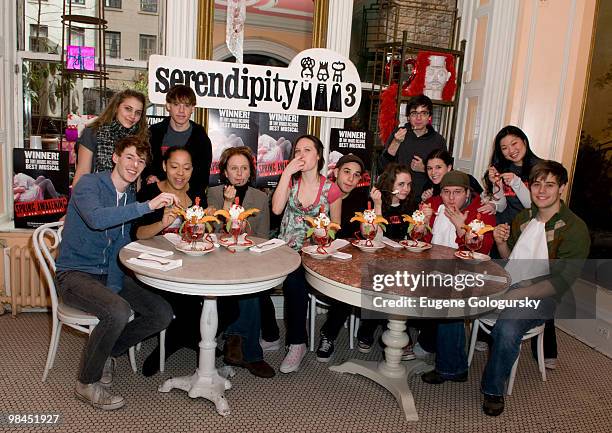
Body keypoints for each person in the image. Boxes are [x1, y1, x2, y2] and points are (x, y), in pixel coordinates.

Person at [422, 161, 590, 417]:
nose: (542, 190)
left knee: (508, 326)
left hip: (541, 295)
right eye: (537, 184)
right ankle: (451, 367)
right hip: (506, 281)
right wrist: (501, 244)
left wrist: (515, 294)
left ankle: (493, 389)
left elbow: (560, 282)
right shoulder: (523, 218)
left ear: (562, 188)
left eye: (550, 185)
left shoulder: (574, 229)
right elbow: (509, 258)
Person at [55, 136, 175, 410]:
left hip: (105, 272)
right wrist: (148, 207)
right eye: (130, 157)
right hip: (74, 274)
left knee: (161, 313)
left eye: (141, 161)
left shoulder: (129, 197)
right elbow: (97, 219)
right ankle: (86, 382)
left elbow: (120, 245)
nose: (135, 165)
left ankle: (107, 351)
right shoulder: (89, 184)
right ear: (116, 157)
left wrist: (114, 285)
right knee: (118, 311)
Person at [480, 126, 557, 367]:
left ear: (524, 141)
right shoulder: (503, 170)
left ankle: (547, 349)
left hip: (532, 231)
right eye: (504, 147)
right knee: (497, 280)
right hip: (506, 229)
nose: (511, 150)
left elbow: (533, 204)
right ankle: (489, 333)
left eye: (514, 143)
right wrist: (496, 189)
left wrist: (517, 184)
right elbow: (501, 206)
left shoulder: (541, 168)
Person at [271, 134, 342, 373]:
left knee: (299, 279)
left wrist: (320, 239)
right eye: (297, 150)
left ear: (318, 155)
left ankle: (300, 341)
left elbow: (336, 229)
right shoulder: (290, 183)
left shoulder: (331, 189)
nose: (301, 154)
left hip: (317, 253)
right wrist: (285, 174)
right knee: (293, 281)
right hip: (287, 251)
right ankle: (297, 343)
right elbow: (277, 208)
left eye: (307, 150)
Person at [133, 147, 202, 377]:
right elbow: (138, 233)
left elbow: (205, 233)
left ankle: (180, 337)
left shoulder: (198, 193)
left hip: (192, 265)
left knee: (228, 304)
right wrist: (162, 223)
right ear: (164, 166)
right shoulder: (150, 193)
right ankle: (175, 341)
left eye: (186, 167)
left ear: (192, 169)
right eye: (174, 166)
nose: (180, 173)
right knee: (184, 299)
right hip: (156, 268)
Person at [207, 146, 275, 378]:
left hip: (247, 257)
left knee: (251, 288)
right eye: (233, 168)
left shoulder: (260, 197)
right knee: (244, 288)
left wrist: (245, 231)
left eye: (244, 168)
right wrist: (226, 206)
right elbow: (213, 232)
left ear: (250, 172)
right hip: (218, 258)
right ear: (224, 172)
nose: (239, 173)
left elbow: (263, 237)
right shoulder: (214, 193)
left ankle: (236, 342)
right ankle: (248, 351)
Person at [355, 163, 417, 355]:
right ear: (390, 184)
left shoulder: (410, 206)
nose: (406, 188)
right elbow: (375, 237)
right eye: (401, 184)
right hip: (378, 259)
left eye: (409, 184)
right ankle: (367, 331)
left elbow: (412, 237)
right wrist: (379, 205)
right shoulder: (378, 205)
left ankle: (399, 332)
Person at [315, 154, 368, 362]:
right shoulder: (322, 195)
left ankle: (368, 331)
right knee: (346, 289)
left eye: (356, 175)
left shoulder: (362, 199)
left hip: (351, 257)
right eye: (346, 172)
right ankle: (328, 335)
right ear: (335, 172)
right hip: (322, 257)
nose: (350, 179)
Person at [145, 85, 212, 203]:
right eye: (176, 105)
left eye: (186, 105)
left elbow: (202, 177)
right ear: (168, 106)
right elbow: (145, 162)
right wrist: (149, 176)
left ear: (193, 108)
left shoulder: (201, 138)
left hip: (189, 200)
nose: (181, 111)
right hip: (156, 197)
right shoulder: (154, 133)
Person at [73, 89, 148, 187]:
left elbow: (137, 178)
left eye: (138, 112)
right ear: (116, 107)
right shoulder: (93, 132)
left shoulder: (140, 137)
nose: (132, 116)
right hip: (96, 194)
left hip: (128, 198)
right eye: (128, 109)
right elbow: (82, 173)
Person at [378, 94, 447, 199]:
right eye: (414, 113)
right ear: (408, 117)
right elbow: (383, 166)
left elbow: (445, 173)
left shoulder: (438, 140)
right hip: (396, 195)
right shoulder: (399, 133)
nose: (418, 118)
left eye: (423, 113)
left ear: (429, 117)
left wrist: (425, 168)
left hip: (424, 197)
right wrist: (396, 142)